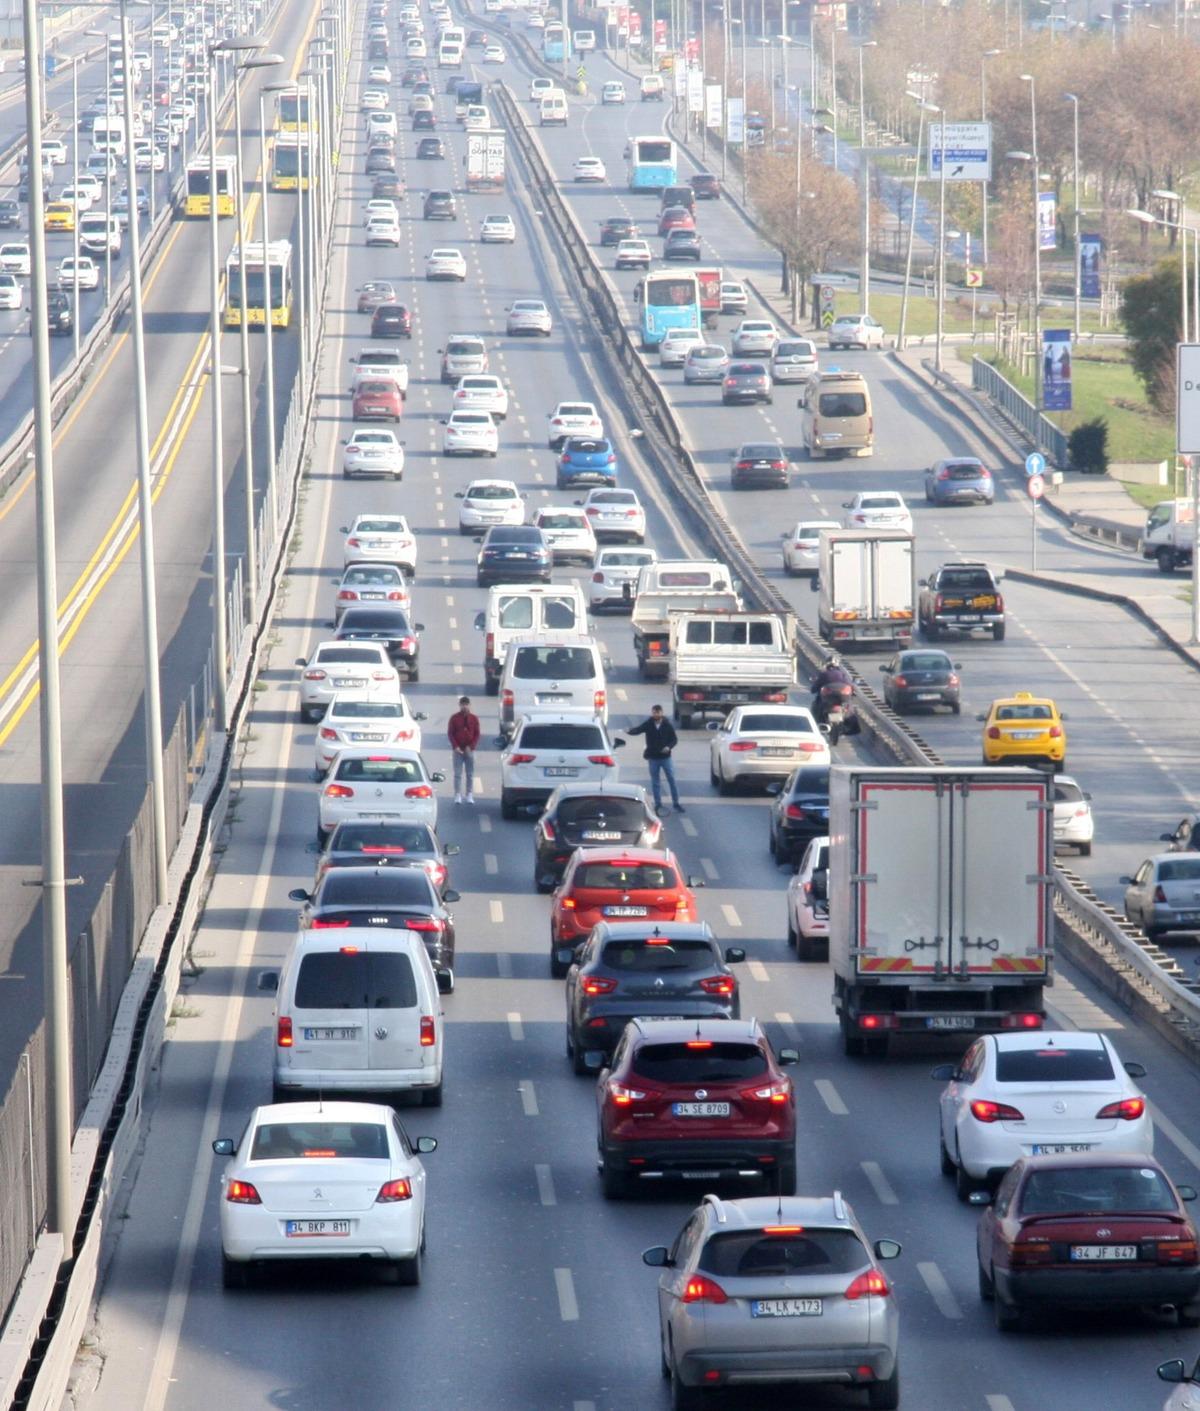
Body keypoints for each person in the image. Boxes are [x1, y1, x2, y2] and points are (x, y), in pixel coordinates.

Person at [624, 704, 683, 813]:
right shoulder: (649, 724)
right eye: (654, 712)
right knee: (655, 782)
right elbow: (638, 730)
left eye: (658, 712)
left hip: (666, 758)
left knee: (671, 780)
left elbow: (674, 740)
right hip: (653, 758)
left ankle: (676, 803)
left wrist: (668, 747)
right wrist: (629, 731)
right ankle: (658, 804)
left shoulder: (667, 725)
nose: (656, 714)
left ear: (662, 713)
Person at [447, 696, 480, 804]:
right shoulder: (454, 718)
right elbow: (450, 733)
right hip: (458, 750)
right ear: (459, 705)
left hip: (469, 749)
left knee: (470, 773)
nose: (464, 706)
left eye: (466, 704)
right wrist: (455, 746)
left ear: (469, 705)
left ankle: (469, 794)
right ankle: (457, 794)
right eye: (462, 704)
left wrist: (471, 746)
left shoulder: (474, 718)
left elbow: (477, 734)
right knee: (457, 773)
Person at [810, 655, 852, 723]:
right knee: (849, 706)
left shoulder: (824, 674)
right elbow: (849, 685)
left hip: (828, 699)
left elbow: (814, 688)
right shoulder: (842, 674)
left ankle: (817, 722)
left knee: (816, 706)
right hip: (841, 699)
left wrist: (814, 689)